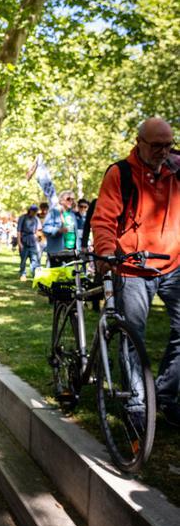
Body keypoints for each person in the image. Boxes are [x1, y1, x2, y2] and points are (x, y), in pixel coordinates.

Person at [91, 117, 180, 428]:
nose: (164, 151)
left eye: (168, 144)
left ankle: (165, 397)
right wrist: (105, 251)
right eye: (157, 145)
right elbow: (103, 219)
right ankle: (138, 405)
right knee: (133, 338)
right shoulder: (121, 173)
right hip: (132, 268)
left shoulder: (176, 169)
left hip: (173, 265)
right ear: (139, 142)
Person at [16, 205, 40, 280]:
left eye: (36, 211)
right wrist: (19, 243)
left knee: (34, 259)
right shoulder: (22, 218)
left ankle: (34, 275)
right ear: (30, 210)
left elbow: (36, 232)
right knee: (23, 259)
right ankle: (23, 274)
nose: (34, 213)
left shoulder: (36, 219)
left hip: (33, 241)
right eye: (34, 211)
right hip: (24, 240)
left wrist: (37, 242)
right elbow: (19, 231)